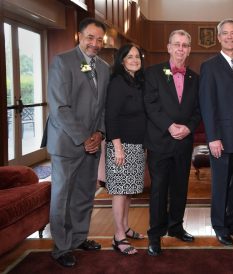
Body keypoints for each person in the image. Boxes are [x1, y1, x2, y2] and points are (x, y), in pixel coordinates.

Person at [43, 18, 109, 267]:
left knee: (84, 194)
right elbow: (60, 107)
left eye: (100, 39)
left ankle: (80, 237)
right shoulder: (63, 61)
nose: (95, 43)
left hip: (92, 143)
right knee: (62, 196)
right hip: (67, 144)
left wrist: (99, 133)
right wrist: (84, 138)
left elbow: (103, 107)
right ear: (79, 36)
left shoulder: (104, 67)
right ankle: (61, 247)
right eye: (90, 37)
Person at [144, 29, 201, 256]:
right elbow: (151, 105)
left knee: (180, 188)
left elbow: (199, 110)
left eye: (185, 45)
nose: (180, 49)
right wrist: (169, 126)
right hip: (160, 141)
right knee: (158, 190)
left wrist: (188, 127)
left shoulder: (195, 78)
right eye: (176, 44)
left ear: (189, 50)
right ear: (168, 47)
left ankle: (176, 226)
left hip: (184, 143)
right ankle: (155, 235)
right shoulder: (153, 73)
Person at [199, 18, 233, 246]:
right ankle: (220, 227)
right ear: (219, 38)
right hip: (221, 139)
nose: (230, 37)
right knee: (221, 186)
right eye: (225, 33)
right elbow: (207, 104)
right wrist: (213, 137)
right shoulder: (209, 66)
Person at [104, 44, 146, 255]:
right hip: (121, 146)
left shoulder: (137, 82)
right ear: (121, 60)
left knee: (129, 191)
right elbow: (111, 116)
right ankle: (118, 235)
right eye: (129, 56)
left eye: (137, 56)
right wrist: (118, 148)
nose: (134, 59)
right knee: (120, 192)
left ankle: (126, 227)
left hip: (136, 145)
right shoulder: (118, 83)